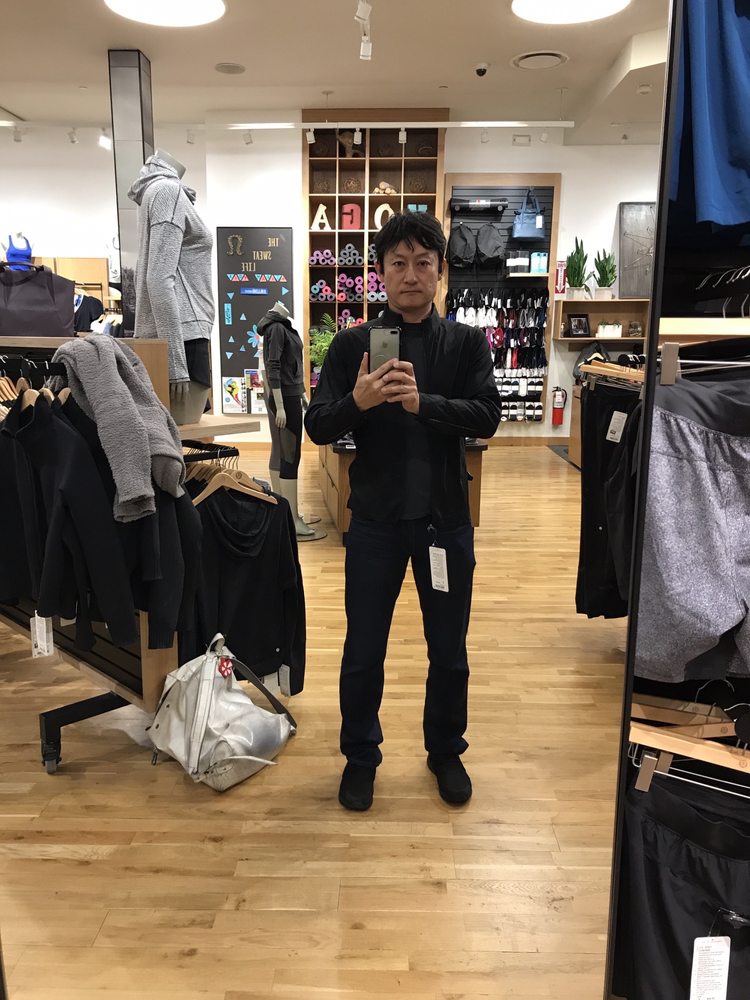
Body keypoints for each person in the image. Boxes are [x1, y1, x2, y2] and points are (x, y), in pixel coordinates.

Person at [304, 212, 501, 811]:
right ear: (381, 273)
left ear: (440, 270)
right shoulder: (352, 346)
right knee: (364, 649)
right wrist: (358, 402)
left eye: (422, 263)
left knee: (449, 649)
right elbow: (317, 425)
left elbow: (487, 416)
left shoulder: (466, 344)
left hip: (445, 521)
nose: (411, 275)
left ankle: (446, 751)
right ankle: (360, 756)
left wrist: (425, 404)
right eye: (398, 263)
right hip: (373, 523)